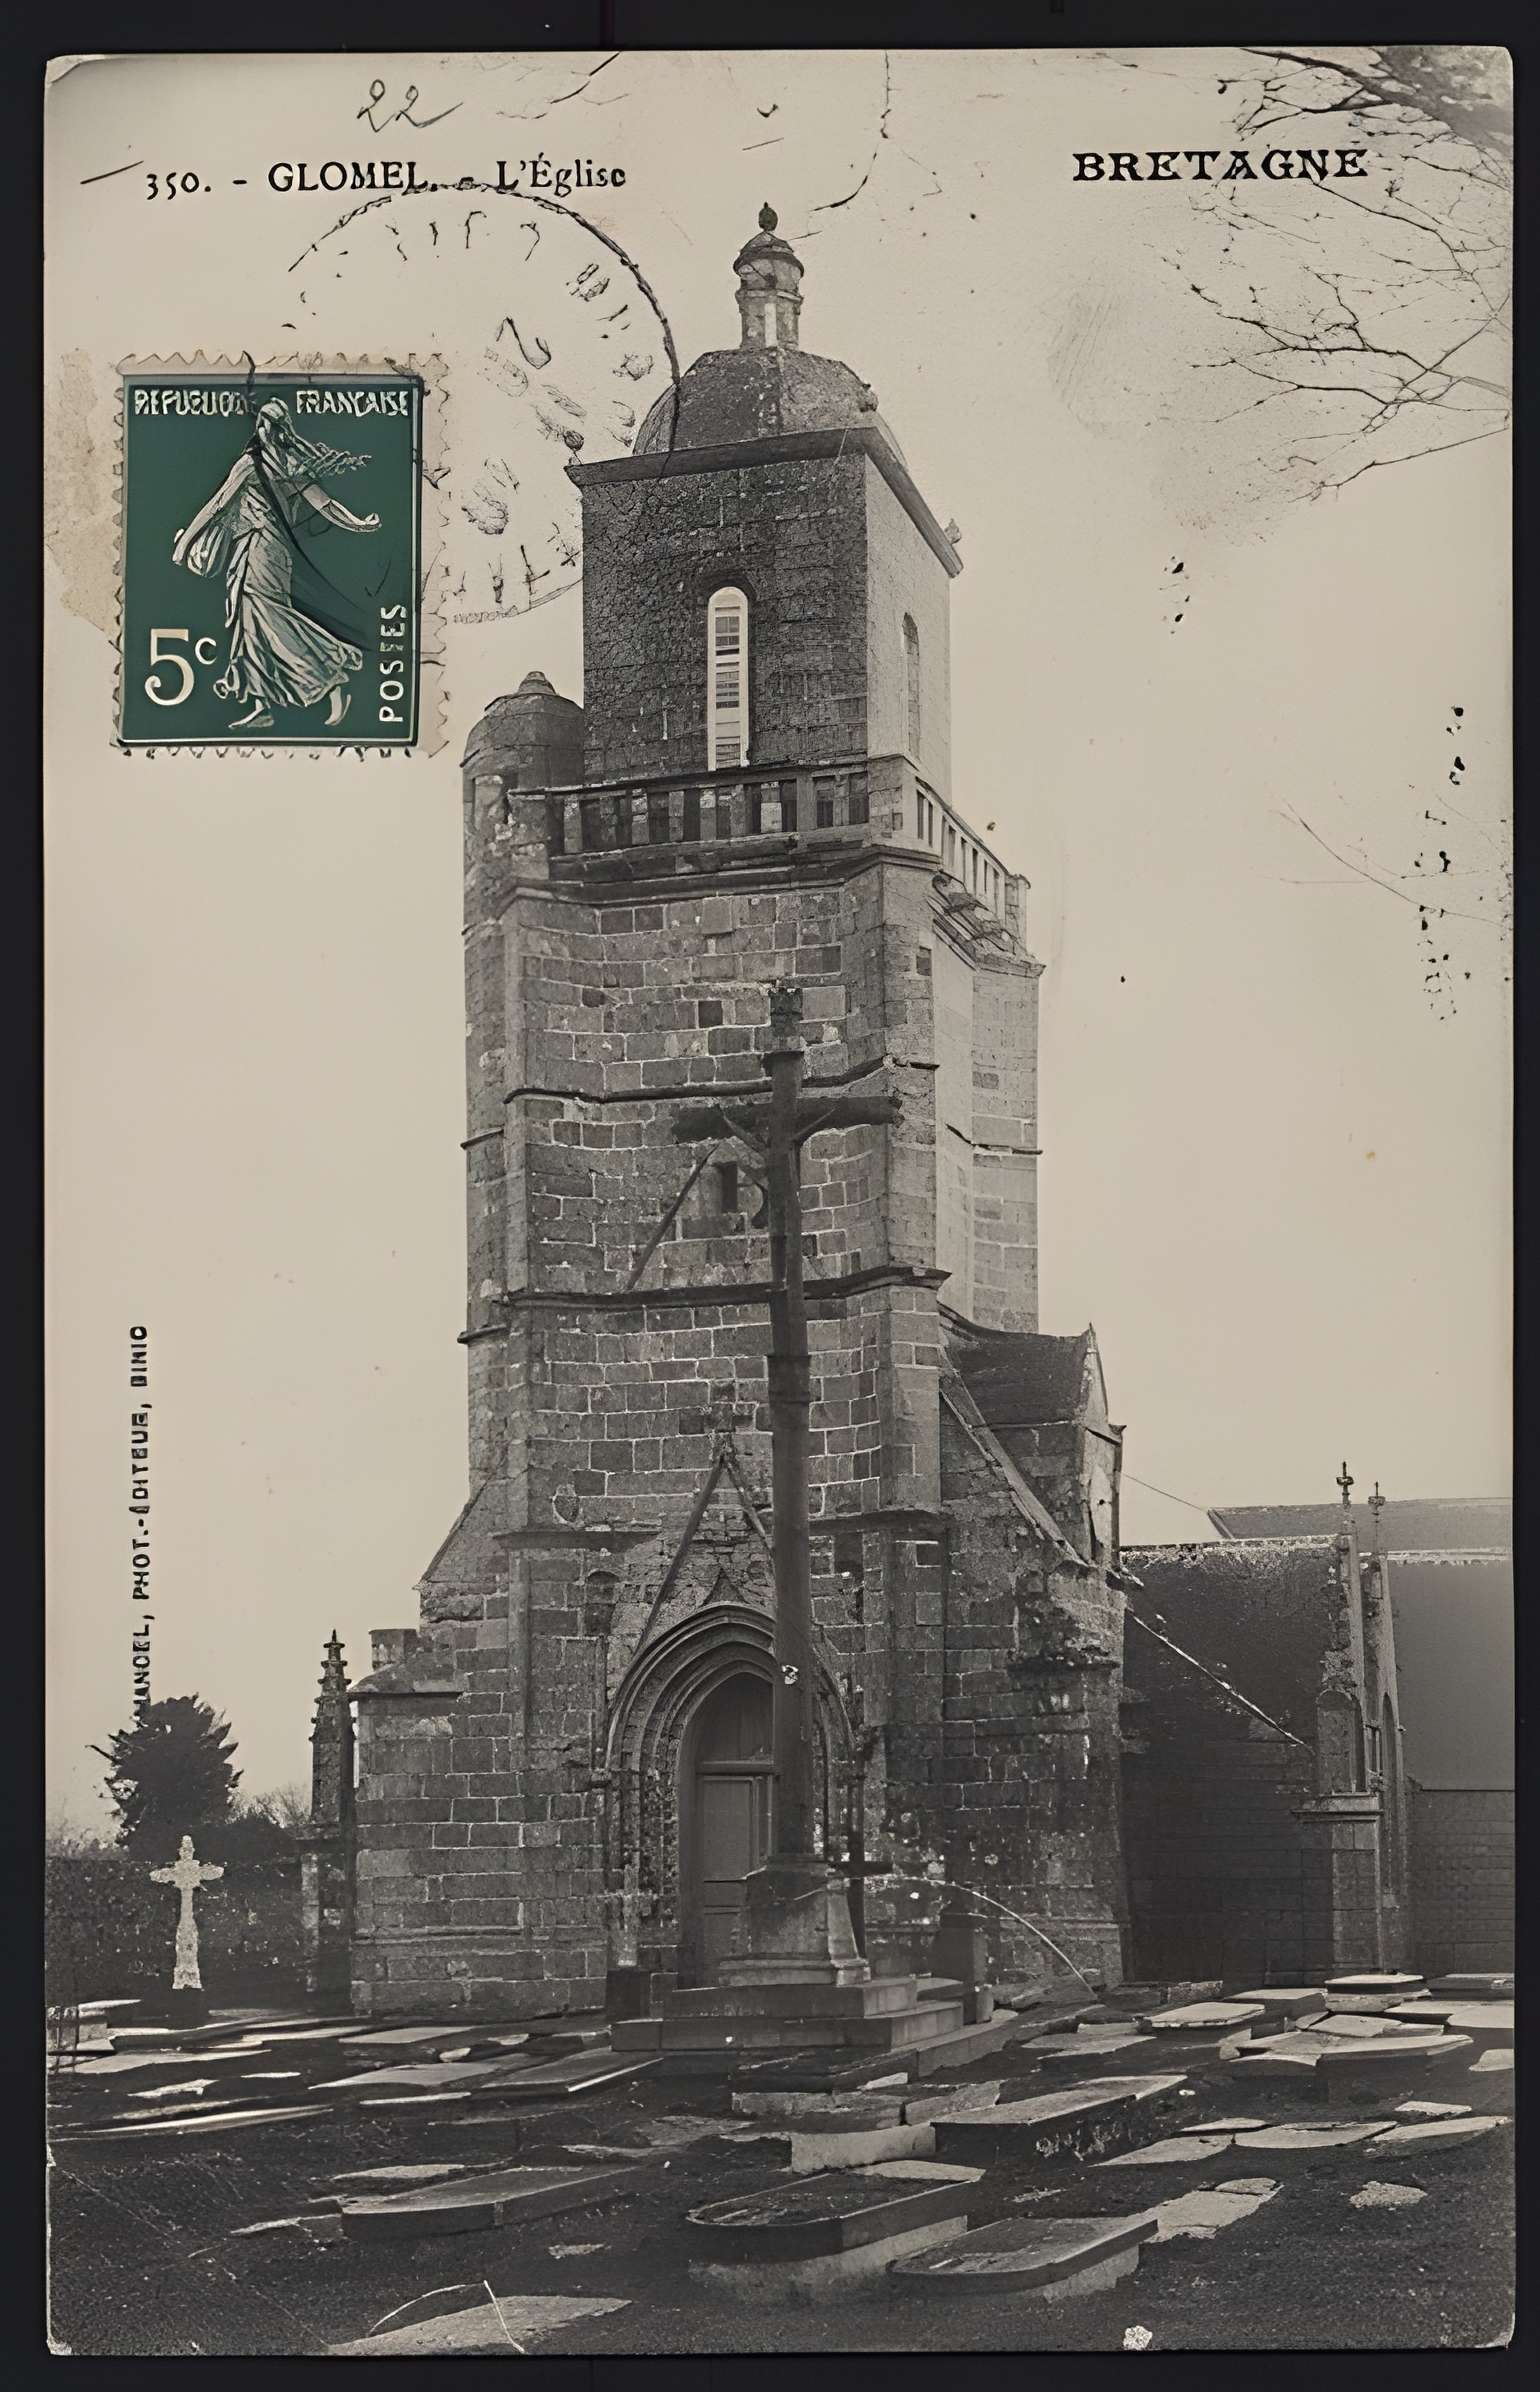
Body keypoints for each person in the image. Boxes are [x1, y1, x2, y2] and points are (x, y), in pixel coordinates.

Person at [172, 399, 380, 729]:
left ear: (277, 428)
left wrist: (185, 543)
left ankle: (332, 671)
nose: (266, 429)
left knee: (267, 617)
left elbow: (217, 506)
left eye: (270, 423)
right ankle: (262, 705)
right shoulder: (289, 464)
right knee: (251, 624)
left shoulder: (252, 464)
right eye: (264, 422)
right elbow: (325, 504)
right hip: (266, 550)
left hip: (259, 548)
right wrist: (357, 523)